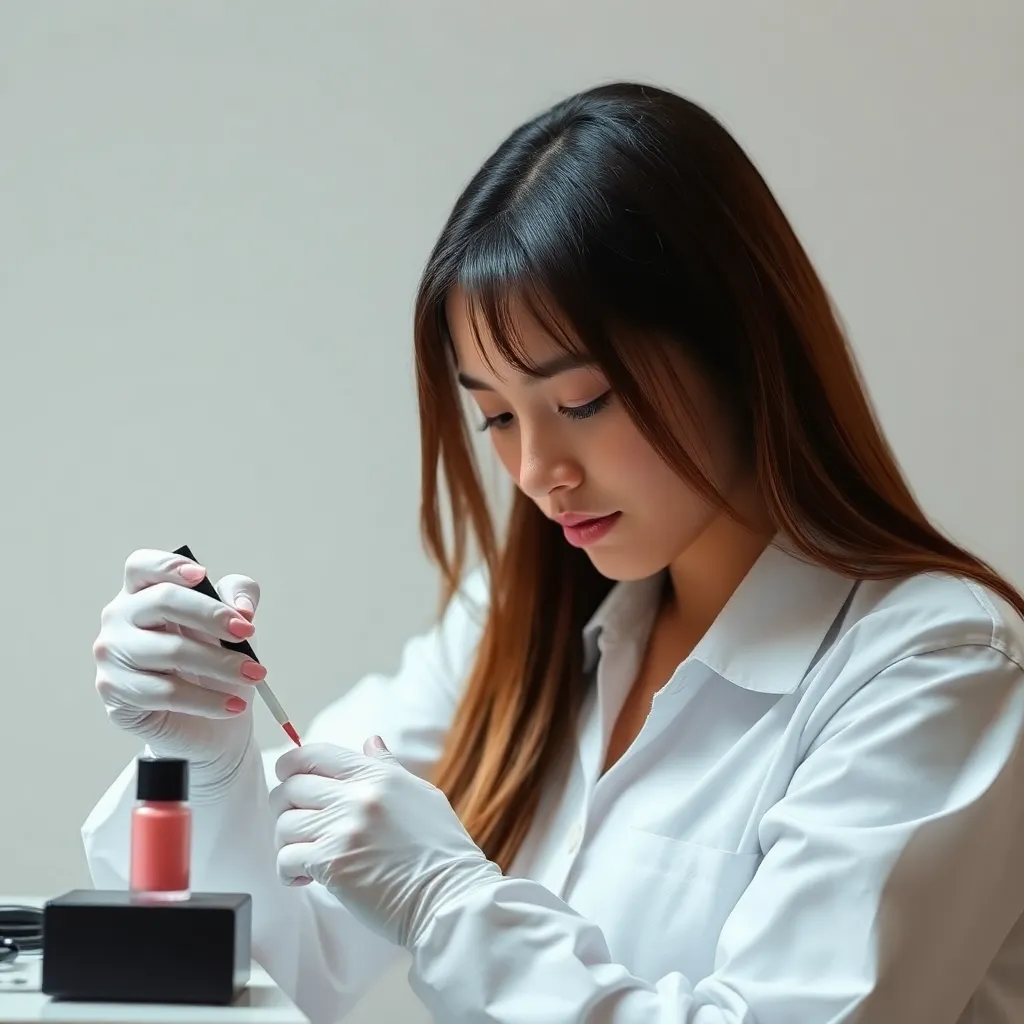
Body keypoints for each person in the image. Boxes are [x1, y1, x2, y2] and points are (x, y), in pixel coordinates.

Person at [84, 81, 1024, 1024]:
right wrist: (206, 765)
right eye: (495, 415)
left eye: (580, 403)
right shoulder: (520, 625)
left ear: (739, 351)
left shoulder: (938, 670)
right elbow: (290, 956)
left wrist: (448, 903)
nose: (538, 470)